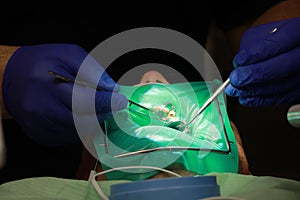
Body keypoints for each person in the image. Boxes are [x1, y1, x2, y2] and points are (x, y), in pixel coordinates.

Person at [0, 0, 299, 183]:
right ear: (86, 171)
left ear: (243, 165)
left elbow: (260, 8)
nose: (152, 76)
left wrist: (281, 43)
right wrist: (5, 71)